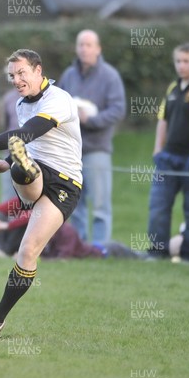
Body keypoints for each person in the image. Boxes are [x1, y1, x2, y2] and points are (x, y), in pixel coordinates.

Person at [0, 49, 82, 340]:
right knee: (22, 166)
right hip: (35, 176)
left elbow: (29, 134)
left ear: (38, 70)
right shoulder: (23, 104)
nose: (16, 79)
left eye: (22, 73)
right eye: (12, 75)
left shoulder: (59, 99)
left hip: (65, 184)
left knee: (27, 252)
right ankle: (18, 166)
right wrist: (7, 160)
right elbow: (27, 143)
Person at [58, 30, 125, 243]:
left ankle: (100, 247)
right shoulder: (68, 75)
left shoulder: (110, 76)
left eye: (89, 45)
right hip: (71, 150)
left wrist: (90, 120)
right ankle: (78, 246)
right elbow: (56, 104)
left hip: (97, 149)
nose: (84, 49)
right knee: (74, 202)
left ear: (98, 49)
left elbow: (118, 110)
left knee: (99, 204)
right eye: (81, 45)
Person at [147, 42, 189, 262]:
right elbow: (163, 119)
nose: (181, 66)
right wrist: (157, 150)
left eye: (186, 61)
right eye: (178, 61)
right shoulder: (173, 88)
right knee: (158, 206)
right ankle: (157, 252)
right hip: (167, 159)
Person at [0, 197, 142, 260]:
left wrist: (7, 226)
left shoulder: (66, 231)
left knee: (114, 248)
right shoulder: (23, 201)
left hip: (97, 250)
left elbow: (62, 260)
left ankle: (145, 257)